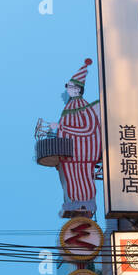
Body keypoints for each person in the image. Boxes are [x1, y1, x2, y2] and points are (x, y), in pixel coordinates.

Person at [45, 58, 101, 217]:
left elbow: (89, 128)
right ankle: (75, 203)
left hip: (84, 151)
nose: (68, 89)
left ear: (78, 89)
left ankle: (86, 203)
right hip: (70, 152)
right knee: (71, 178)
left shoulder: (84, 106)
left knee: (83, 177)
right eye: (68, 86)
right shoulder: (70, 106)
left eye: (70, 86)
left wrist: (61, 127)